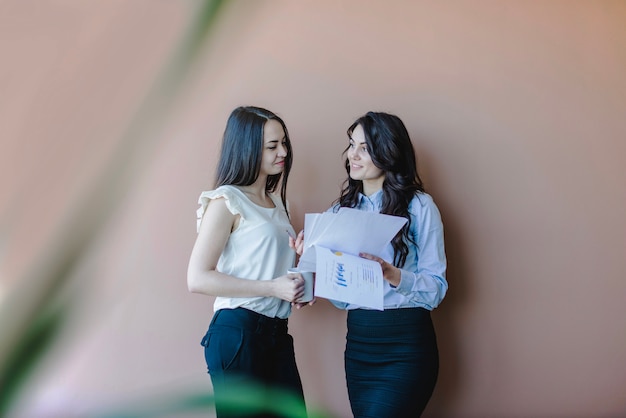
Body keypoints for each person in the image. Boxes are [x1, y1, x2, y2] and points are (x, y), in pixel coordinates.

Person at [292, 111, 447, 418]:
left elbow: (436, 290)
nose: (353, 154)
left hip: (407, 345)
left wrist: (393, 275)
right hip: (360, 343)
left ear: (389, 152)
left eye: (365, 148)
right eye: (352, 144)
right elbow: (340, 296)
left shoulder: (420, 206)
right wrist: (310, 264)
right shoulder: (338, 212)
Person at [187, 106, 310, 418]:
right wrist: (273, 288)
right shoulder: (225, 200)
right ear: (247, 147)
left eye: (284, 142)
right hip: (238, 332)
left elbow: (265, 265)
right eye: (272, 146)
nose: (283, 151)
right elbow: (197, 278)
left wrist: (299, 281)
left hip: (277, 334)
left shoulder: (279, 204)